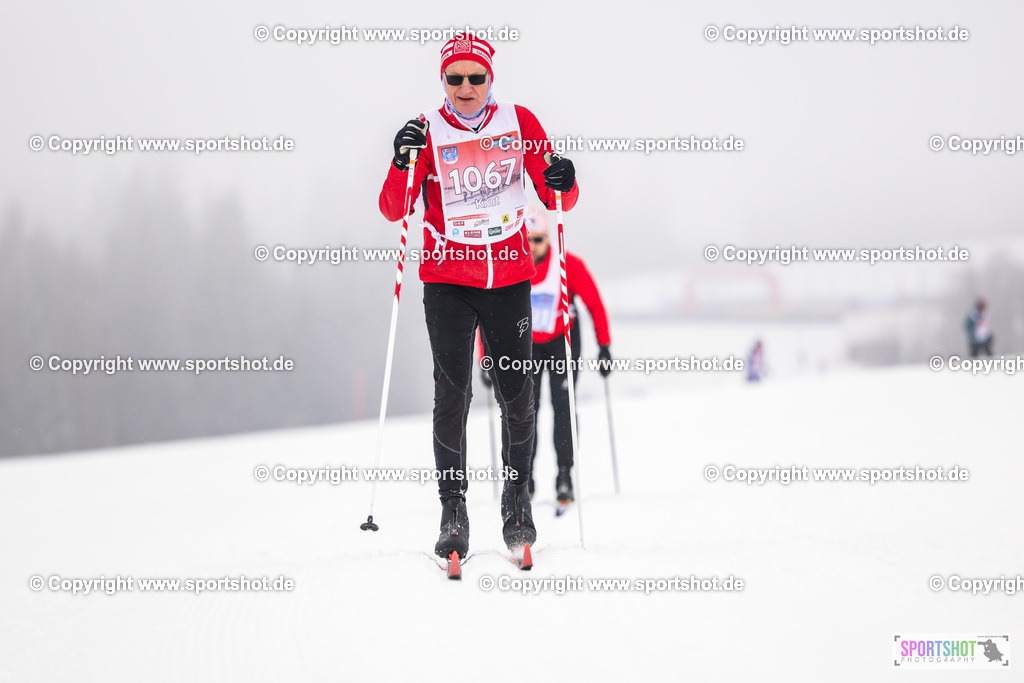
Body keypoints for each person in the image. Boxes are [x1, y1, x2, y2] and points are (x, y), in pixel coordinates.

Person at [378, 34, 579, 560]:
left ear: (491, 79)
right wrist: (402, 161)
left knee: (517, 394)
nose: (465, 88)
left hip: (509, 277)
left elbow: (558, 194)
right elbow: (393, 209)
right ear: (442, 80)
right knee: (453, 396)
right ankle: (453, 510)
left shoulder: (521, 122)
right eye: (454, 78)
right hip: (446, 278)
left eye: (476, 78)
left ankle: (516, 503)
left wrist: (565, 178)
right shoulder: (425, 130)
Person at [483, 206, 610, 507]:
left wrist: (604, 346)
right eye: (526, 240)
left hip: (562, 342)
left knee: (563, 406)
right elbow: (487, 315)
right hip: (526, 346)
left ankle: (564, 474)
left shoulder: (568, 264)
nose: (531, 246)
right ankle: (525, 478)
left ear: (547, 239)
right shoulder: (509, 266)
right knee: (527, 411)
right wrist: (485, 358)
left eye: (537, 240)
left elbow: (594, 303)